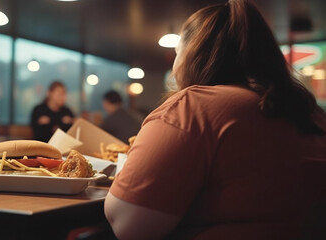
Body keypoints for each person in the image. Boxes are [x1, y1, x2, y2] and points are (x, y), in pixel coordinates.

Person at [104, 0, 326, 239]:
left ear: (190, 53)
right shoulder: (311, 114)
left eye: (177, 53)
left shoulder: (193, 106)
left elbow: (126, 223)